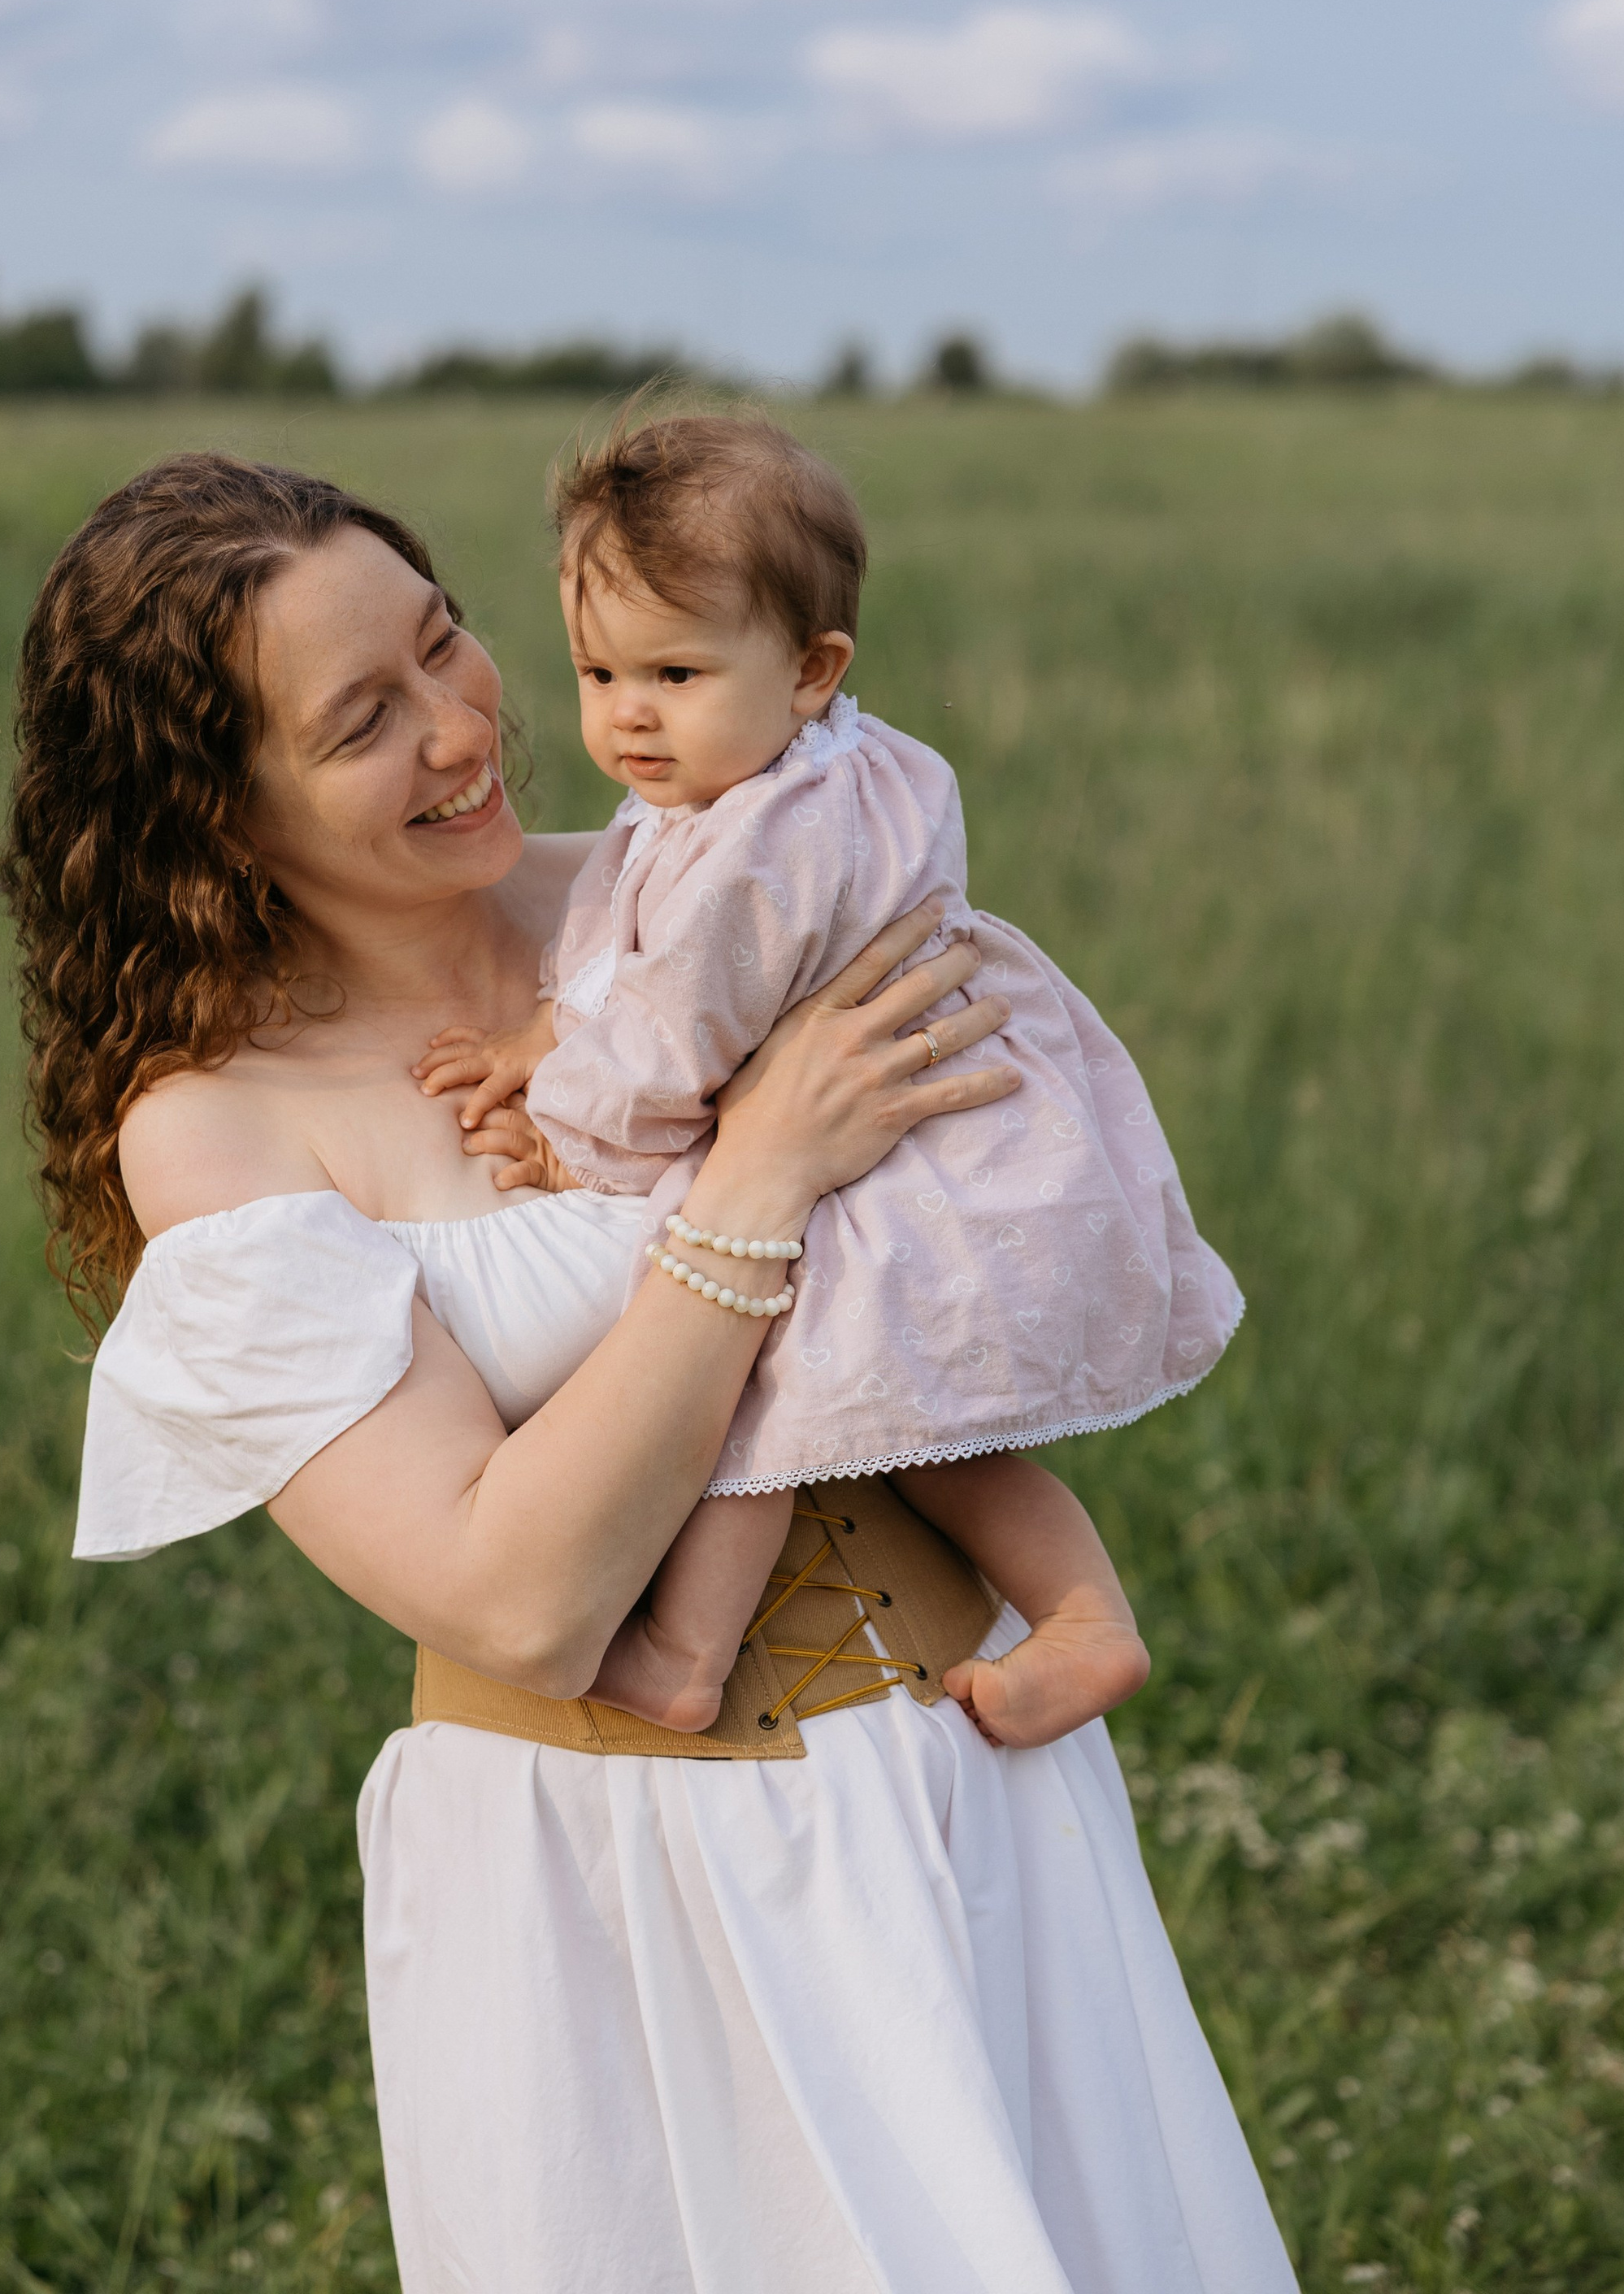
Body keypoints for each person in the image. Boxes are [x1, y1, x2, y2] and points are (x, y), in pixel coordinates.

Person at [2, 449, 1296, 2294]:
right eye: (366, 719)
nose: (464, 729)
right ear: (212, 813)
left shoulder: (678, 890)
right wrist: (755, 1171)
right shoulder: (217, 1132)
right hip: (624, 1867)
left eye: (446, 645)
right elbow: (513, 1600)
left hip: (966, 1779)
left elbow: (960, 1198)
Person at [412, 413, 1242, 1743]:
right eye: (598, 670)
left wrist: (565, 1128)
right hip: (911, 1133)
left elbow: (680, 1038)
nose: (629, 712)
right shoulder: (817, 770)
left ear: (810, 669)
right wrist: (544, 1034)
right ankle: (1084, 1613)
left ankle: (688, 1652)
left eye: (676, 673)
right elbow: (654, 969)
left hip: (889, 1161)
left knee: (759, 1390)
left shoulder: (763, 841)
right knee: (934, 1439)